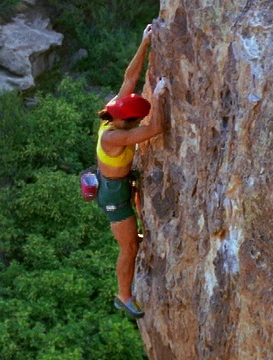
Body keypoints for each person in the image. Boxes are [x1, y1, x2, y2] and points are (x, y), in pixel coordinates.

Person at [95, 23, 168, 319]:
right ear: (126, 122)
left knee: (133, 241)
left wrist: (145, 42)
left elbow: (130, 77)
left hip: (118, 184)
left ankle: (124, 292)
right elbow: (157, 128)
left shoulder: (114, 110)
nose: (138, 121)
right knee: (128, 247)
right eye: (135, 119)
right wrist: (160, 97)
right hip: (114, 194)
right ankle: (123, 296)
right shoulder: (115, 136)